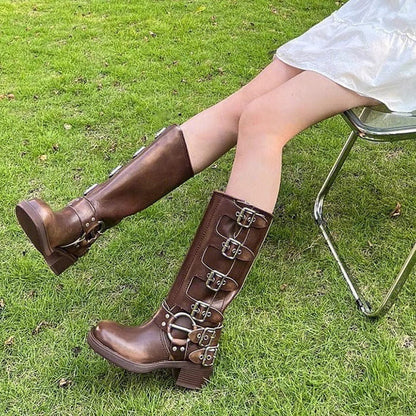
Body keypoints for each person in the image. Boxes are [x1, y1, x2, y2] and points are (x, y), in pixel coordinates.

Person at [15, 0, 415, 389]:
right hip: (377, 14)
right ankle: (79, 223)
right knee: (239, 107)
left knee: (264, 119)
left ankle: (189, 331)